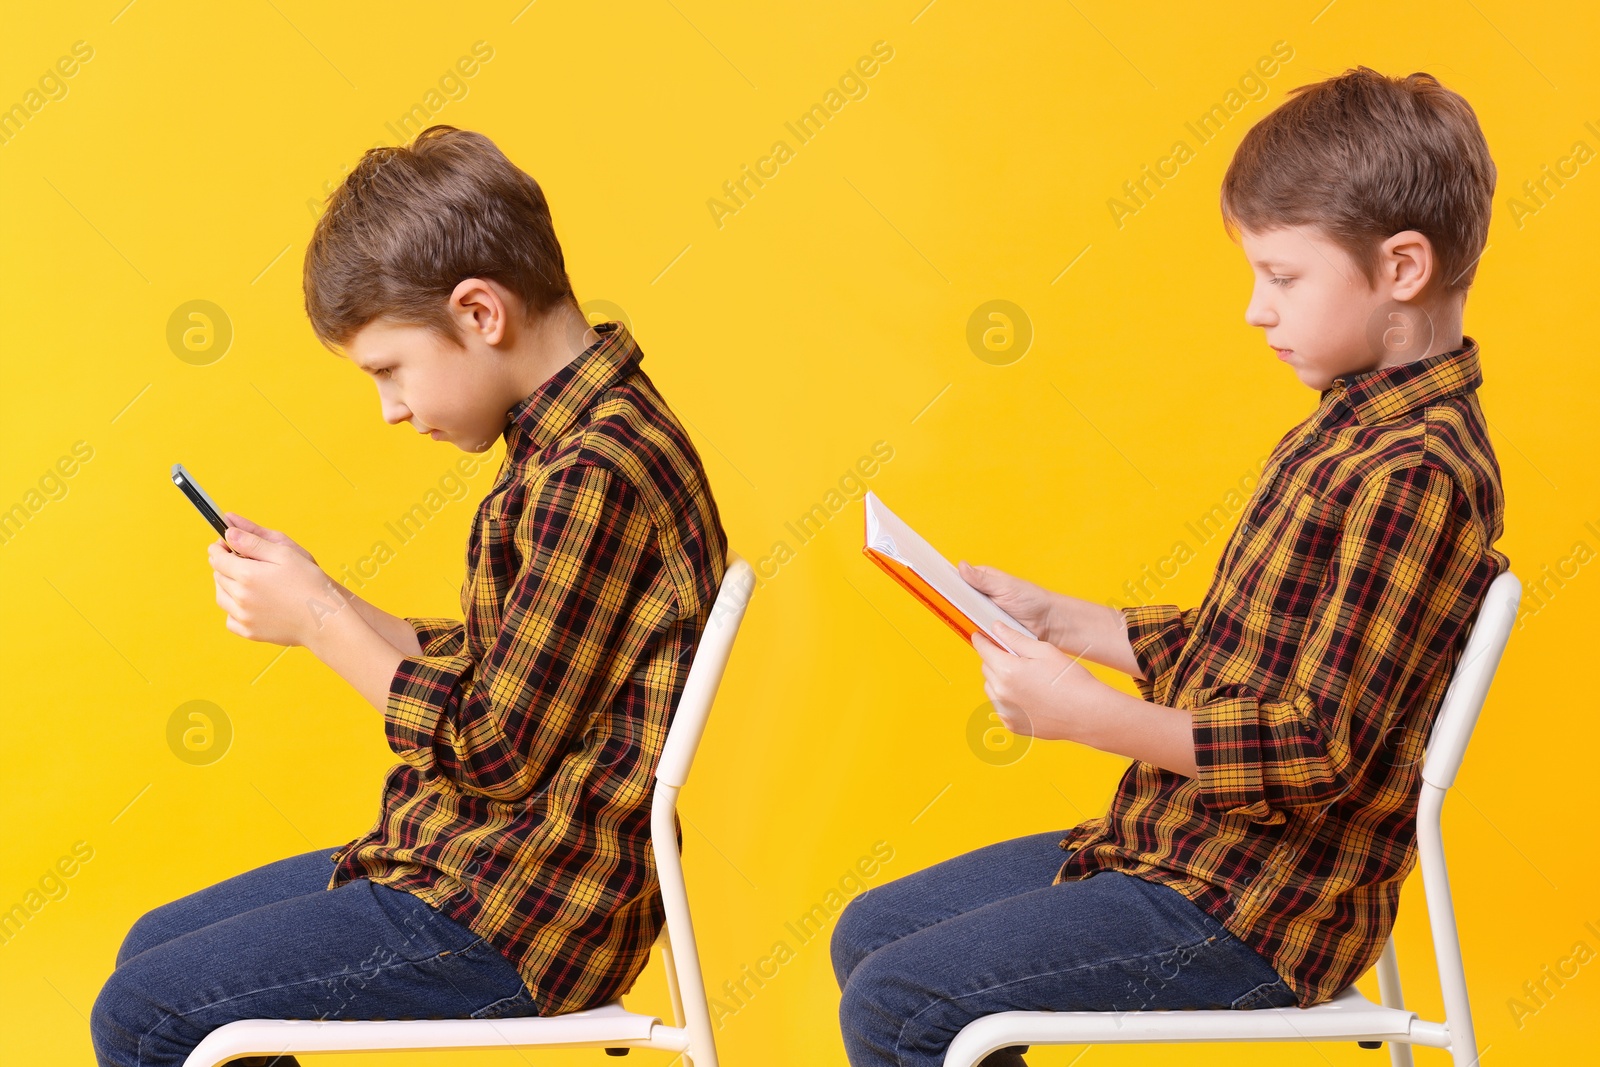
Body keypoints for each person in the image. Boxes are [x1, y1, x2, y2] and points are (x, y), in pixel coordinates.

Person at [831, 66, 1508, 1067]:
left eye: (1282, 276)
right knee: (873, 932)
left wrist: (1088, 715)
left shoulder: (1414, 474)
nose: (1253, 309)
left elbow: (1317, 746)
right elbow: (1247, 645)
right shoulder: (1347, 432)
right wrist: (1059, 618)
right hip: (1175, 844)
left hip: (1255, 908)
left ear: (1401, 267)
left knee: (900, 1003)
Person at [91, 126, 728, 1067]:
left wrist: (315, 625)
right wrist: (327, 597)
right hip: (472, 865)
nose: (390, 409)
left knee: (146, 1013)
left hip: (517, 914)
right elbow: (504, 665)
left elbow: (496, 746)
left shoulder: (592, 472)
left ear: (479, 314)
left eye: (388, 370)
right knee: (152, 953)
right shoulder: (582, 435)